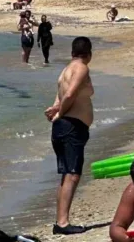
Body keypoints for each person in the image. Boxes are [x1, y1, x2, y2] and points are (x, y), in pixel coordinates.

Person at [44, 37, 94, 235]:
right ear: (88, 53)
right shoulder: (81, 68)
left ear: (72, 52)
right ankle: (62, 223)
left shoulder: (65, 71)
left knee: (67, 174)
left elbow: (60, 96)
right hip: (71, 126)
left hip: (65, 127)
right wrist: (60, 113)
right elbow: (70, 95)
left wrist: (56, 109)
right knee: (72, 174)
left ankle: (60, 221)